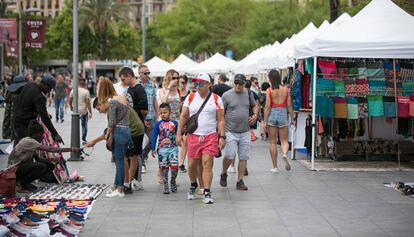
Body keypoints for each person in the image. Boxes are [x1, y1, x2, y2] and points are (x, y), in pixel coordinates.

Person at [177, 72, 225, 204]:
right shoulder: (191, 97)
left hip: (210, 136)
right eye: (195, 83)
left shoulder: (216, 99)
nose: (197, 85)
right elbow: (183, 116)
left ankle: (207, 192)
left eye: (200, 83)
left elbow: (221, 120)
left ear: (209, 84)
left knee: (207, 163)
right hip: (193, 136)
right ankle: (193, 184)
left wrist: (222, 136)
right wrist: (178, 133)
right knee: (192, 165)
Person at [87, 97, 144, 195]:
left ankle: (124, 186)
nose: (99, 112)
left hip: (133, 130)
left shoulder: (112, 106)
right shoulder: (116, 104)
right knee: (132, 157)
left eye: (98, 108)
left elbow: (110, 129)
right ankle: (126, 184)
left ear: (102, 103)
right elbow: (109, 130)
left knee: (124, 159)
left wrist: (95, 141)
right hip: (136, 129)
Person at [8, 120, 80, 192]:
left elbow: (38, 159)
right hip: (14, 170)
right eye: (41, 135)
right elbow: (51, 149)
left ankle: (26, 183)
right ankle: (21, 184)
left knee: (49, 166)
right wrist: (72, 149)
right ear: (35, 134)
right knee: (41, 166)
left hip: (21, 169)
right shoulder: (29, 141)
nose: (42, 137)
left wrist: (51, 159)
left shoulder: (32, 143)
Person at [220, 74, 258, 191]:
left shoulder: (248, 93)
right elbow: (221, 113)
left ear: (244, 84)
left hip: (245, 130)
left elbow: (255, 105)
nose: (237, 85)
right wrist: (221, 132)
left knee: (243, 157)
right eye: (236, 83)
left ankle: (240, 181)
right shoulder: (226, 95)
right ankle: (224, 172)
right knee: (230, 155)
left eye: (240, 83)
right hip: (230, 130)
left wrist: (255, 115)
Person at [97, 77, 132, 198]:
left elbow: (112, 122)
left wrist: (107, 134)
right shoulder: (122, 97)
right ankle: (116, 185)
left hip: (118, 132)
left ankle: (120, 188)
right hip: (127, 130)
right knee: (120, 160)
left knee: (120, 162)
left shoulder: (112, 101)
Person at [13, 75, 63, 146]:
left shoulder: (30, 84)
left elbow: (28, 102)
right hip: (24, 124)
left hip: (16, 119)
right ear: (45, 85)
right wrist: (55, 134)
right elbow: (45, 118)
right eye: (50, 88)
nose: (50, 91)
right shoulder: (39, 97)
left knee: (18, 145)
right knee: (25, 147)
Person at [122, 67, 148, 191]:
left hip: (137, 126)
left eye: (123, 79)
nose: (122, 82)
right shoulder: (129, 89)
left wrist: (140, 119)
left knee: (135, 155)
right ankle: (133, 180)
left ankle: (135, 181)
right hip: (131, 126)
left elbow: (144, 109)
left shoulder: (139, 89)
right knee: (131, 155)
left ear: (129, 76)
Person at [264, 69, 294, 172]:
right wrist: (292, 118)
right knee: (284, 140)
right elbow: (289, 105)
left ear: (270, 79)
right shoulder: (286, 89)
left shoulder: (269, 90)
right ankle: (285, 154)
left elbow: (267, 107)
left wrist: (264, 121)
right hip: (283, 114)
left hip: (272, 114)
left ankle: (275, 166)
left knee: (272, 141)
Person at [151, 103, 179, 194]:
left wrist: (179, 141)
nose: (163, 114)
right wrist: (153, 148)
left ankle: (173, 181)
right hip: (162, 149)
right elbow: (154, 136)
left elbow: (178, 134)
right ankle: (166, 185)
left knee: (174, 166)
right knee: (164, 168)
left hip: (173, 148)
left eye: (165, 112)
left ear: (169, 112)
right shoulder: (158, 124)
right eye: (161, 113)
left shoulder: (174, 123)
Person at [138, 65, 158, 177]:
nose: (147, 75)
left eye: (148, 73)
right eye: (145, 73)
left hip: (151, 117)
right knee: (139, 142)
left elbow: (154, 100)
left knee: (152, 141)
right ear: (139, 73)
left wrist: (158, 114)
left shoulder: (151, 84)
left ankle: (142, 156)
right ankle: (141, 164)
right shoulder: (136, 85)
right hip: (139, 118)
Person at [68, 77, 92, 144]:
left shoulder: (73, 90)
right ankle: (83, 139)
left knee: (75, 125)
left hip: (75, 111)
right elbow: (88, 103)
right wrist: (90, 112)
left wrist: (71, 107)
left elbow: (70, 101)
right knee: (84, 125)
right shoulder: (86, 91)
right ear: (85, 84)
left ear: (78, 83)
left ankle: (75, 138)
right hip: (84, 111)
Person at [3, 74, 27, 140]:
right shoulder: (24, 90)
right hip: (21, 117)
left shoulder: (10, 90)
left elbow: (6, 100)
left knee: (14, 136)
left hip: (12, 115)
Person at [178, 75, 190, 173]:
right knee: (179, 142)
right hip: (175, 119)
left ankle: (181, 163)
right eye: (180, 82)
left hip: (186, 121)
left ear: (186, 83)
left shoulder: (189, 93)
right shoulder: (175, 92)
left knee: (185, 142)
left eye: (183, 82)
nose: (181, 84)